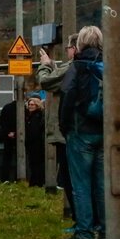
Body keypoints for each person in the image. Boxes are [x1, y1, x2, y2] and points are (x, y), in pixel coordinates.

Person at [59, 25, 106, 239]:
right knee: (102, 184)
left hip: (80, 131)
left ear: (80, 43)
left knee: (81, 185)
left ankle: (84, 232)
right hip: (105, 132)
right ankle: (107, 232)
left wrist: (64, 126)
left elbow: (67, 94)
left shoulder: (77, 67)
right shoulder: (108, 65)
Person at [38, 34, 77, 225]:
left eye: (68, 48)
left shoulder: (74, 67)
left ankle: (81, 221)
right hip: (79, 130)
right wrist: (54, 66)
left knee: (70, 178)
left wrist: (45, 65)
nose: (67, 51)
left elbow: (47, 82)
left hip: (67, 132)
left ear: (75, 48)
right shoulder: (91, 66)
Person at [24, 96, 46, 188]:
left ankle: (35, 182)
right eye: (29, 104)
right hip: (35, 143)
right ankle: (36, 181)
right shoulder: (33, 116)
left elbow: (34, 132)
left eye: (32, 104)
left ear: (37, 106)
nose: (30, 106)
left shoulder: (35, 117)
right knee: (35, 163)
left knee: (35, 164)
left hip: (36, 144)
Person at [0, 99, 19, 182]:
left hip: (8, 137)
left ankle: (5, 178)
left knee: (7, 158)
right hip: (19, 136)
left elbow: (1, 122)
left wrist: (8, 133)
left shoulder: (7, 107)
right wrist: (16, 133)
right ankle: (18, 178)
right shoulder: (24, 108)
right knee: (19, 158)